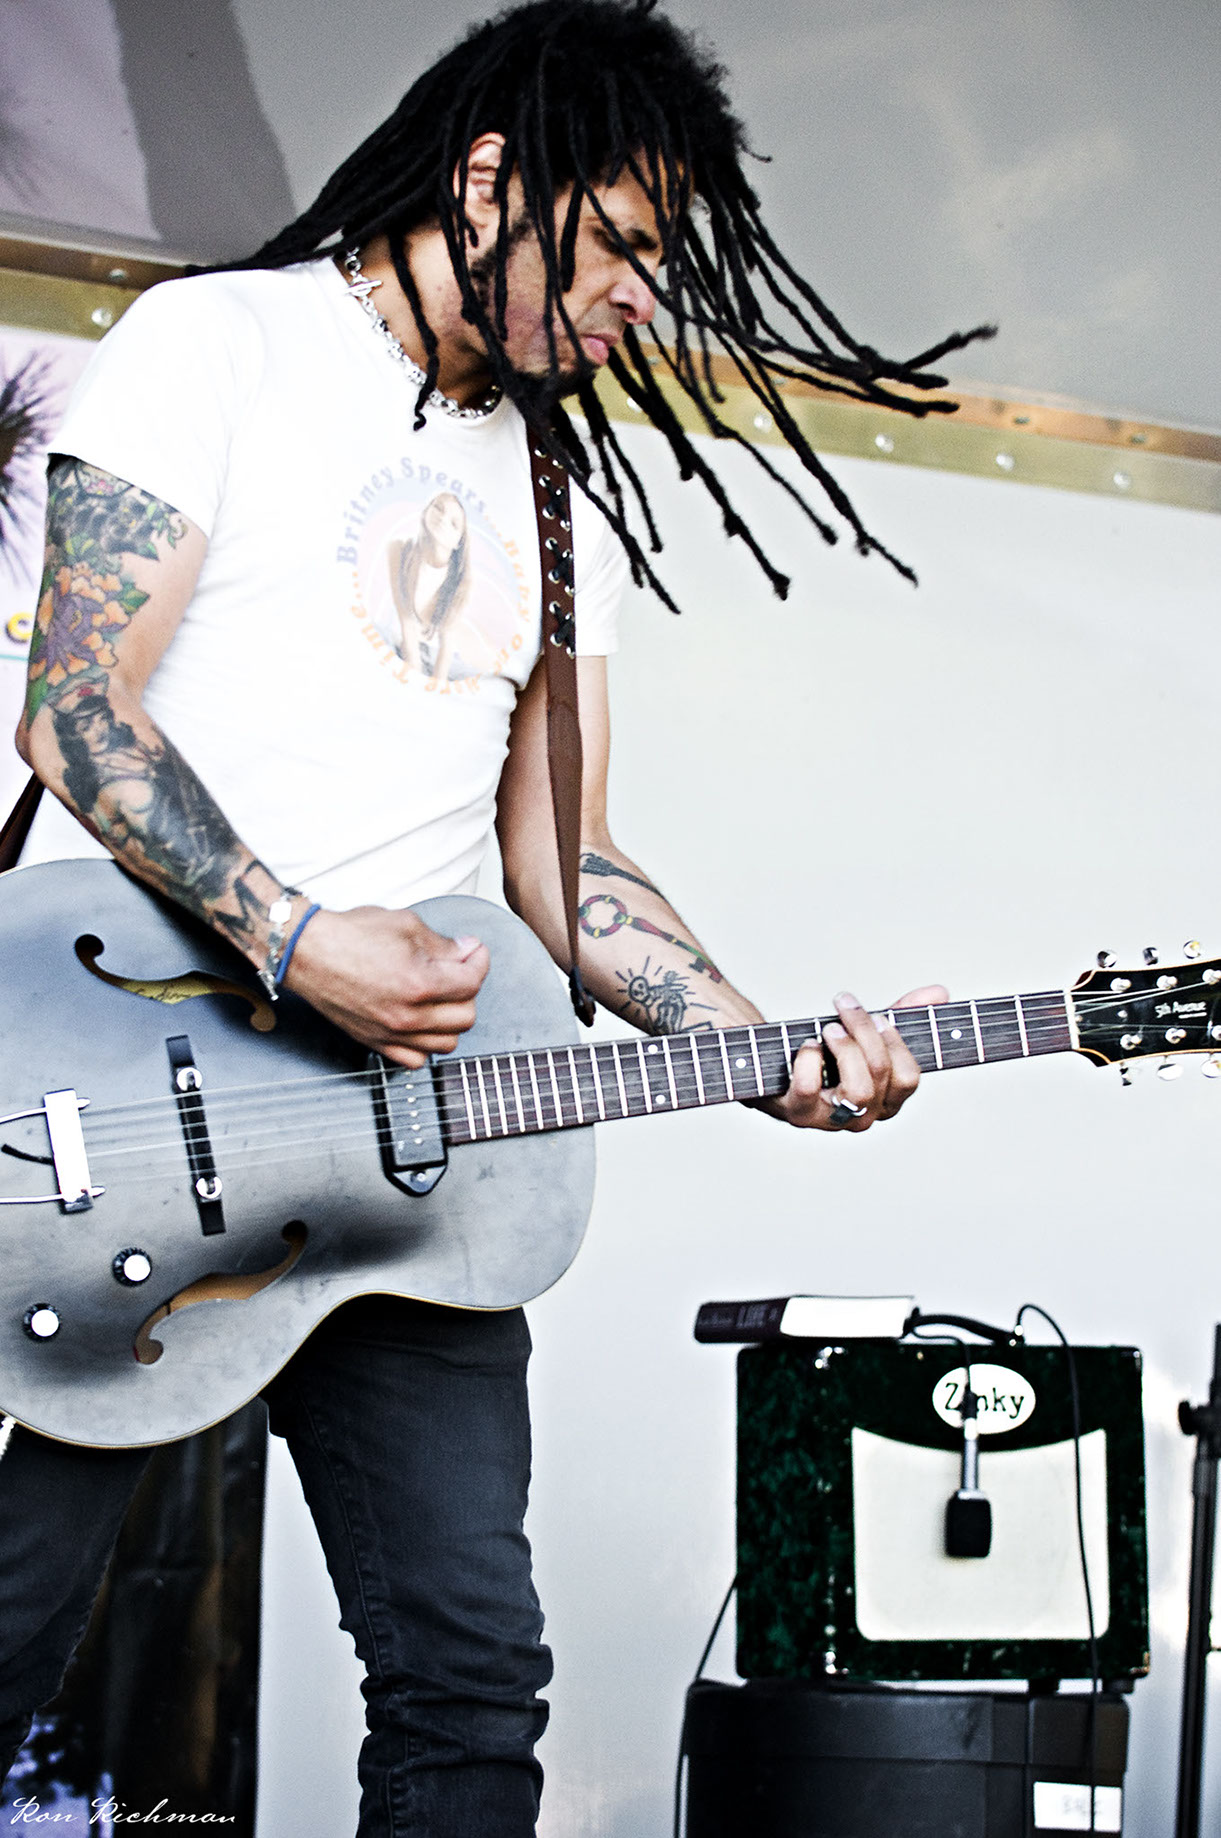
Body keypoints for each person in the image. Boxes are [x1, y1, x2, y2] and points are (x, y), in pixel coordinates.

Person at [1, 2, 982, 1830]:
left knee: (470, 1681)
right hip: (133, 1113)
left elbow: (566, 869)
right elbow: (75, 704)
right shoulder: (216, 342)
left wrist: (756, 1048)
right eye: (612, 241)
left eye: (654, 266)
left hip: (410, 1171)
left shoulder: (553, 493)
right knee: (8, 1634)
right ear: (485, 178)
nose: (634, 297)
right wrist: (297, 940)